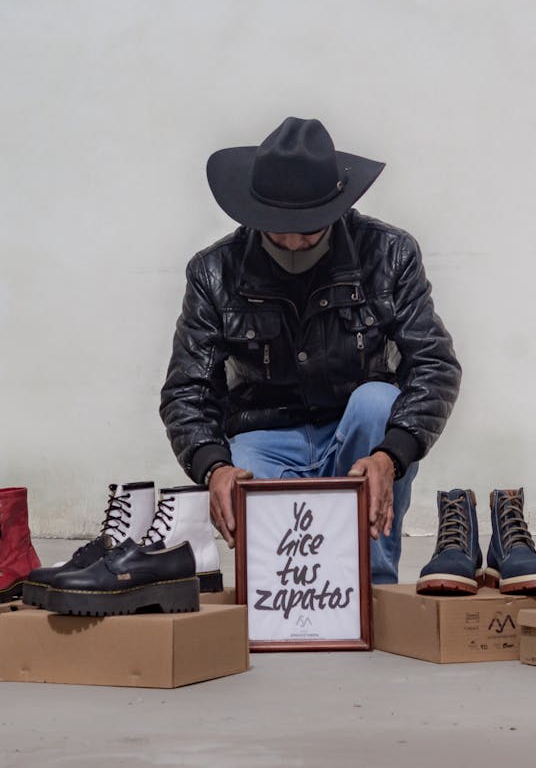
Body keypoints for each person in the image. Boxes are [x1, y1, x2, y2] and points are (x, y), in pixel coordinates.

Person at [159, 116, 461, 584]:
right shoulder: (213, 272)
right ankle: (288, 602)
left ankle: (373, 589)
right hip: (263, 436)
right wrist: (214, 467)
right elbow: (187, 389)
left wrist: (391, 455)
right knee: (267, 541)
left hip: (357, 431)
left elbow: (435, 365)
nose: (293, 240)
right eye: (277, 227)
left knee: (378, 403)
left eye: (308, 227)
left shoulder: (389, 253)